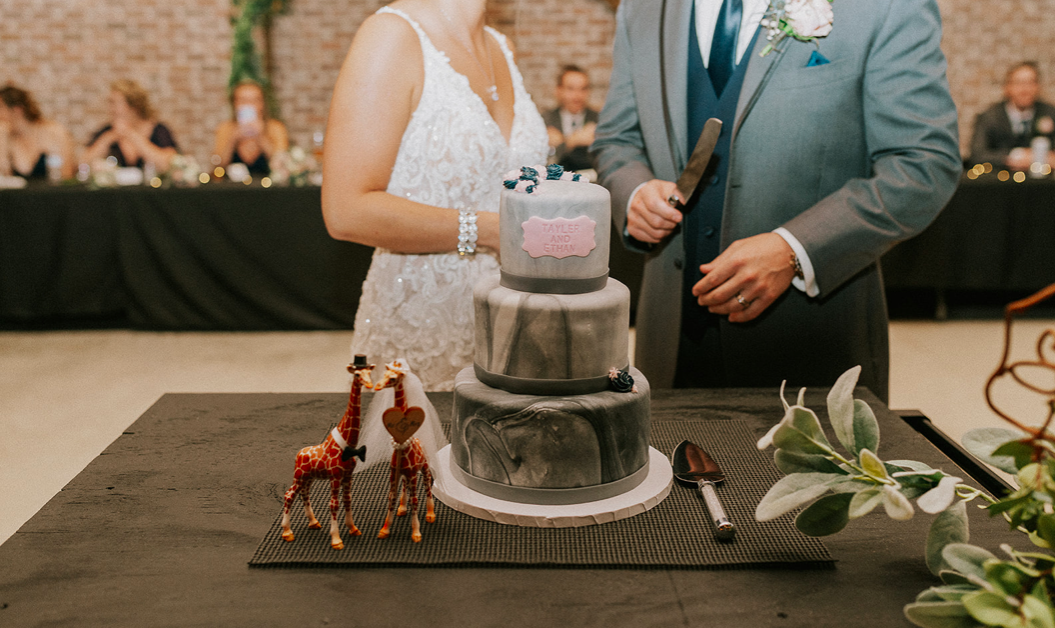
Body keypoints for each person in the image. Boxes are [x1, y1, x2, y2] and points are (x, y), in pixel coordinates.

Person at [591, 0, 962, 401]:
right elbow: (617, 140)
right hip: (668, 344)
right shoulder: (643, 9)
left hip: (809, 343)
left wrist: (795, 248)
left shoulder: (885, 8)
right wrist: (634, 194)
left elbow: (923, 165)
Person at [321, 0, 548, 391]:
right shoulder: (391, 36)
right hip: (421, 332)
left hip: (512, 324)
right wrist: (489, 230)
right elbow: (346, 210)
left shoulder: (499, 45)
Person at [969, 62, 1055, 170]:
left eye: (1031, 83)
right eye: (1019, 83)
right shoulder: (990, 117)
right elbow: (977, 155)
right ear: (1007, 87)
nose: (1025, 89)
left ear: (1038, 87)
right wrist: (1016, 156)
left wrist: (1043, 157)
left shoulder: (1050, 113)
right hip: (1001, 183)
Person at [83, 79, 178, 171]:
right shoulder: (106, 131)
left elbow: (168, 165)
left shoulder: (159, 131)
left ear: (134, 106)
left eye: (114, 103)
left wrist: (131, 134)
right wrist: (108, 138)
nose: (111, 109)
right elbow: (83, 165)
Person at [212, 80, 289, 176]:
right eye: (243, 100)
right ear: (235, 104)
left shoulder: (275, 127)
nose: (249, 105)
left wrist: (261, 137)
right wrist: (233, 138)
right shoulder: (226, 128)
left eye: (254, 100)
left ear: (262, 104)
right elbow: (218, 165)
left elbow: (283, 165)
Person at [0, 84, 75, 180]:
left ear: (17, 110)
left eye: (1, 108)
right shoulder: (6, 138)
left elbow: (67, 176)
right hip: (18, 195)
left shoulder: (55, 132)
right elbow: (4, 179)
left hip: (52, 194)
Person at [543, 65, 599, 172]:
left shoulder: (599, 120)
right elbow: (542, 164)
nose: (577, 96)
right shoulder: (545, 121)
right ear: (558, 90)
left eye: (583, 89)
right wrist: (570, 141)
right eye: (570, 89)